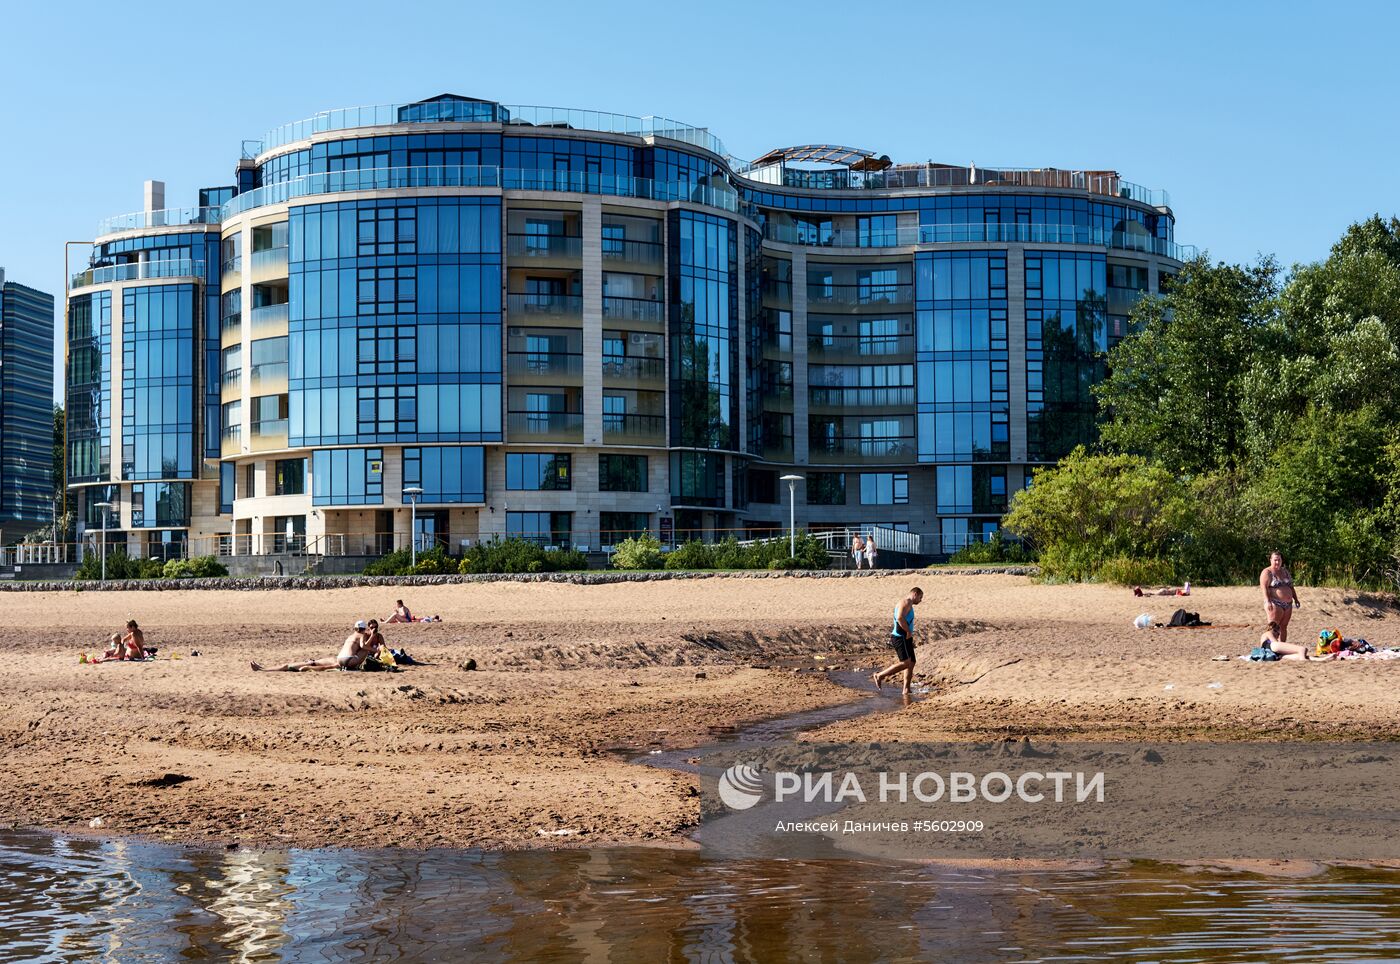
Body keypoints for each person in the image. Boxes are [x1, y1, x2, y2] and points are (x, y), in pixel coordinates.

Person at [251, 621, 374, 672]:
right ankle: (308, 668)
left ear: (355, 628)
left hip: (338, 658)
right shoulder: (363, 636)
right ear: (365, 629)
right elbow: (365, 647)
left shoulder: (351, 636)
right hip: (343, 662)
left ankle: (264, 669)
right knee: (328, 666)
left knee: (312, 662)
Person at [873, 586, 923, 694]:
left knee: (912, 662)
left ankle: (906, 689)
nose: (920, 600)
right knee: (905, 663)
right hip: (900, 637)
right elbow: (899, 618)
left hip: (905, 636)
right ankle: (879, 675)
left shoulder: (909, 604)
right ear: (915, 594)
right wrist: (908, 631)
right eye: (920, 597)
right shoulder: (905, 602)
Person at [1261, 551, 1302, 643]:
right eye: (1275, 560)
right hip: (1275, 603)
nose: (1277, 562)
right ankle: (1270, 647)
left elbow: (1291, 586)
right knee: (1273, 626)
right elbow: (1264, 588)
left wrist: (1296, 599)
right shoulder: (1267, 572)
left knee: (1284, 626)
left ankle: (1282, 646)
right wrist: (1267, 601)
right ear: (1270, 560)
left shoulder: (1285, 571)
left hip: (1288, 604)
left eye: (1279, 560)